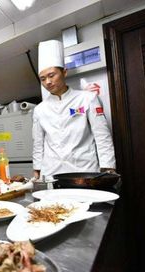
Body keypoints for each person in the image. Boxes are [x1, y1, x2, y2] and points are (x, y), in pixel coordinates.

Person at [32, 40, 116, 179]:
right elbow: (38, 143)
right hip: (52, 172)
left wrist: (108, 167)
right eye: (43, 78)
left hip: (84, 170)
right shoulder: (40, 110)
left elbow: (102, 135)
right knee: (54, 202)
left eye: (52, 75)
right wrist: (37, 169)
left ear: (64, 72)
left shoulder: (88, 99)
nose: (48, 82)